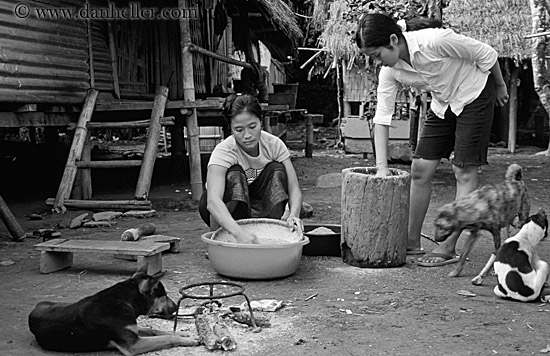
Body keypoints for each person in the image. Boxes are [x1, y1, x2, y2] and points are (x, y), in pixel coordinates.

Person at [355, 13, 509, 266]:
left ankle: (449, 246)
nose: (376, 62)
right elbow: (382, 117)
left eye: (377, 54)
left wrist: (501, 86)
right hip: (443, 101)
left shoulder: (435, 40)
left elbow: (487, 53)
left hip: (474, 92)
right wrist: (381, 168)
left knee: (463, 170)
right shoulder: (390, 71)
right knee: (420, 169)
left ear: (393, 40)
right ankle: (411, 241)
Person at [199, 94, 303, 243]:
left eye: (252, 127)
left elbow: (294, 188)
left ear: (261, 122)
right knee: (234, 173)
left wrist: (294, 215)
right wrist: (239, 233)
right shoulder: (224, 151)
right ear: (231, 129)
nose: (247, 135)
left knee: (277, 169)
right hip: (232, 215)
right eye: (239, 130)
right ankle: (219, 239)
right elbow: (213, 202)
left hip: (261, 208)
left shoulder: (274, 145)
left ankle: (275, 232)